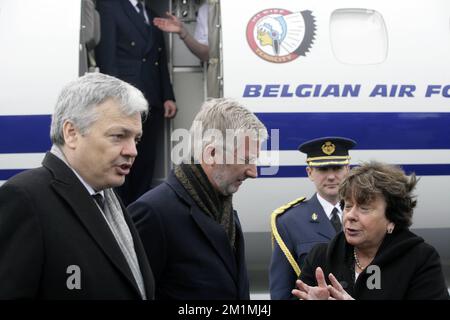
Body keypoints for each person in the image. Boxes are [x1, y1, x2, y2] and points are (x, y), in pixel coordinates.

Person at [0, 73, 154, 299]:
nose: (132, 151)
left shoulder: (108, 199)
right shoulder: (24, 199)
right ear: (71, 133)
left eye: (136, 139)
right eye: (119, 136)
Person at [128, 98, 268, 299]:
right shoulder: (152, 214)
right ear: (211, 153)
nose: (254, 172)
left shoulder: (226, 214)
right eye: (246, 159)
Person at [292, 161, 449, 300]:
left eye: (364, 208)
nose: (351, 216)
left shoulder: (420, 259)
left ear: (392, 219)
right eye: (347, 206)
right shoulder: (322, 257)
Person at [95, 0, 177, 205]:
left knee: (145, 162)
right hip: (125, 100)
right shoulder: (110, 6)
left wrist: (168, 95)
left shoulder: (149, 12)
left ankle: (138, 215)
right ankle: (122, 214)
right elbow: (107, 58)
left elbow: (159, 59)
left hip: (152, 100)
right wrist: (113, 99)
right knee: (123, 162)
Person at [270, 136, 356, 300]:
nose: (331, 177)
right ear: (310, 172)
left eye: (337, 168)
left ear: (348, 169)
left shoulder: (368, 215)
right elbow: (281, 292)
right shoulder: (289, 222)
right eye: (323, 169)